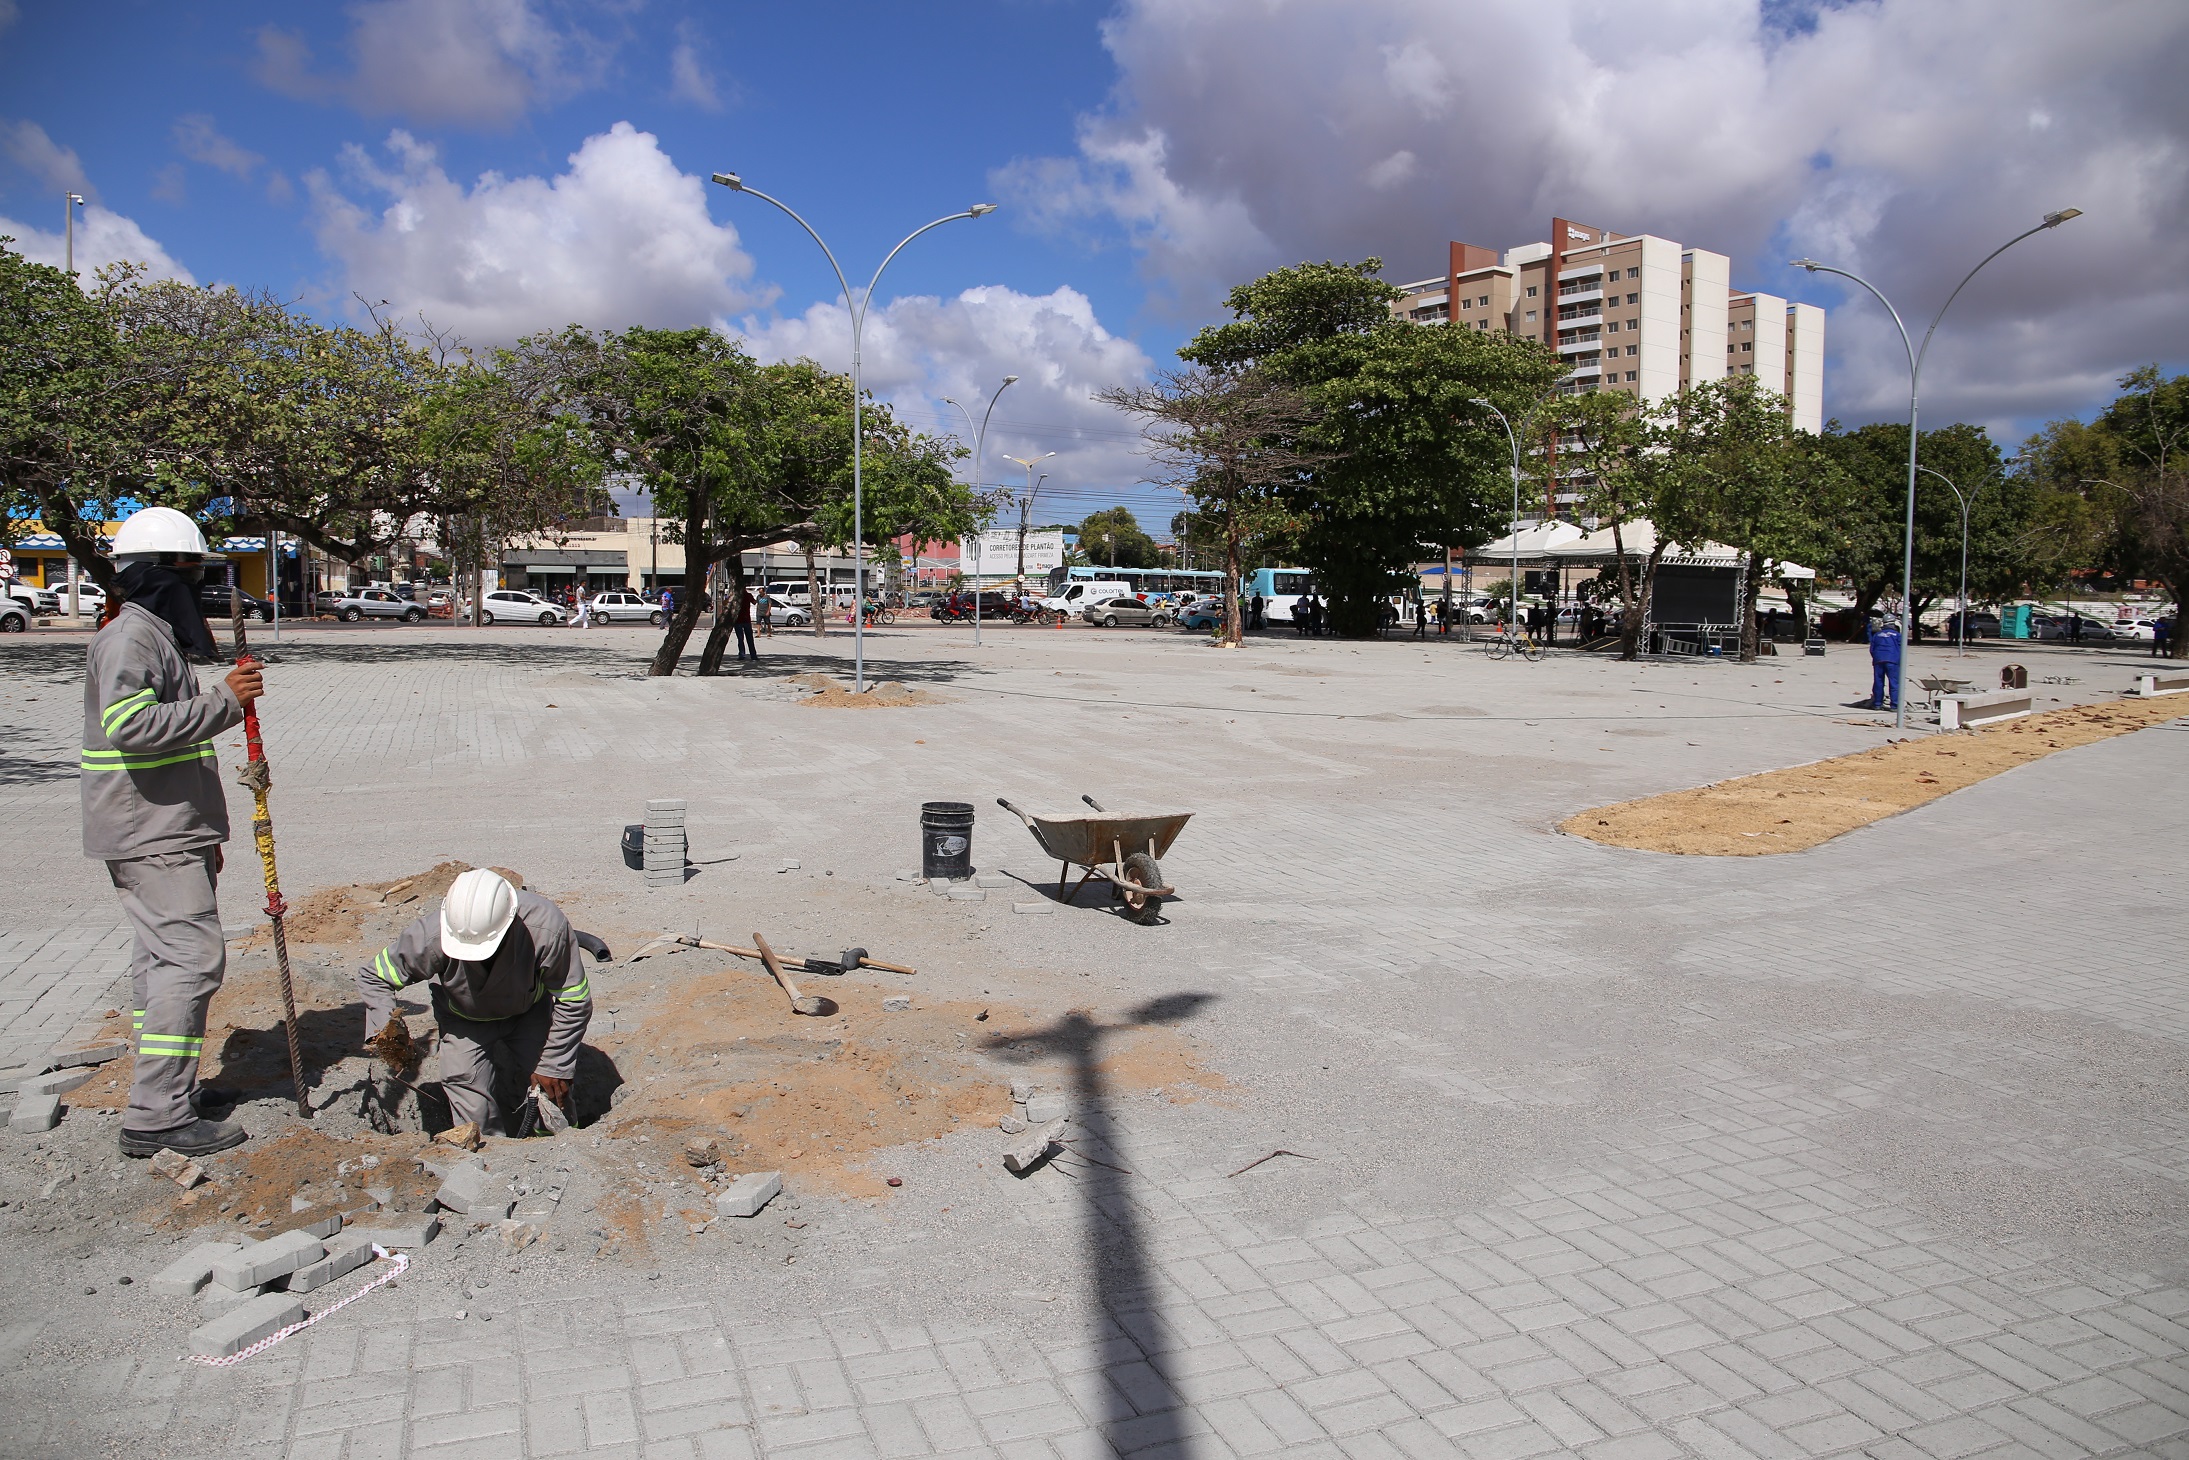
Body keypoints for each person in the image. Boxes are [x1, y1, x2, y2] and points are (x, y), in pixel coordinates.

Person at [85, 508, 263, 1158]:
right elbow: (129, 727)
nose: (200, 588)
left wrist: (202, 829)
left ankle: (170, 1093)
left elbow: (172, 746)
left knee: (161, 963)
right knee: (191, 960)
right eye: (190, 573)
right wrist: (225, 700)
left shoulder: (152, 634)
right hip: (147, 832)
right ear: (162, 575)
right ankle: (158, 1114)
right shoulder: (132, 639)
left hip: (165, 828)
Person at [360, 869, 593, 1137]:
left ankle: (561, 1147)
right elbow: (374, 976)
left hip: (529, 1014)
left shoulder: (545, 927)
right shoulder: (432, 935)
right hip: (464, 1021)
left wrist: (554, 1064)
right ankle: (487, 1161)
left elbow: (574, 1000)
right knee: (468, 1095)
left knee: (552, 1090)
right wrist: (386, 1030)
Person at [1868, 613, 1903, 711]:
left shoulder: (1877, 635)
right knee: (1894, 683)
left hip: (1878, 660)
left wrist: (1876, 657)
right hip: (1892, 661)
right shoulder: (1897, 635)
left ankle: (1877, 704)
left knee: (1878, 682)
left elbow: (1872, 649)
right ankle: (1894, 705)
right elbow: (1902, 649)